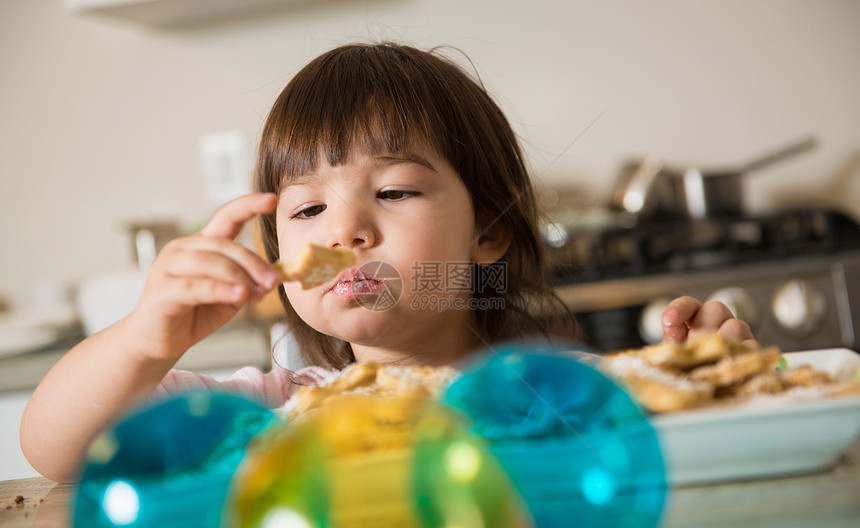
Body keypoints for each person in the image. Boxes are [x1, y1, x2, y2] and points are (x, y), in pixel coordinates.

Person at [19, 43, 754, 483]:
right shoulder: (272, 410)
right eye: (306, 211)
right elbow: (56, 450)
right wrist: (149, 337)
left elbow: (696, 443)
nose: (347, 229)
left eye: (395, 190)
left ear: (489, 235)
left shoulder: (560, 397)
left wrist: (702, 372)